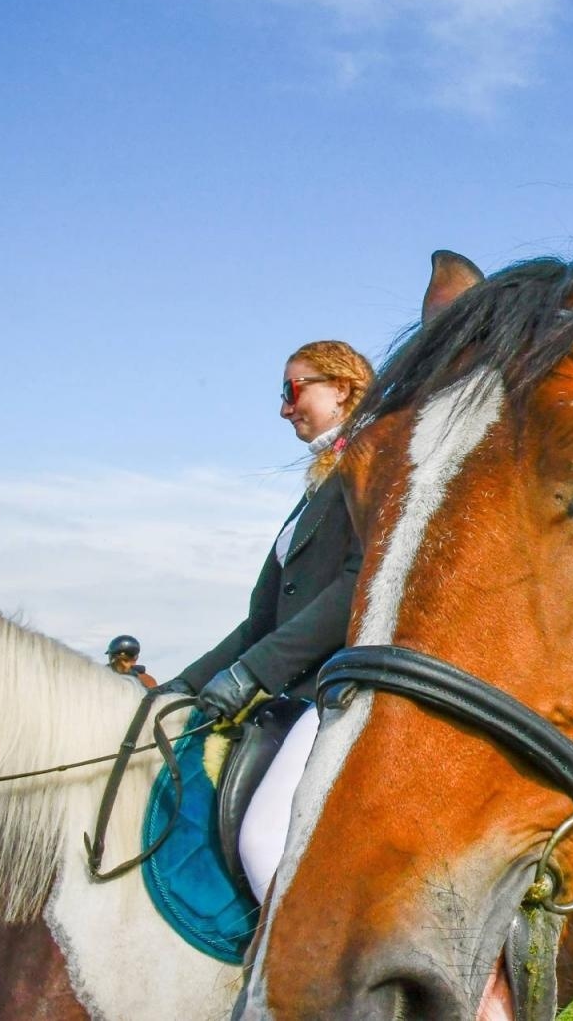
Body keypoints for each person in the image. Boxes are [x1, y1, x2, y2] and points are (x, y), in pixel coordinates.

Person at [157, 340, 373, 903]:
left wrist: (251, 675)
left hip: (339, 688)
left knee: (263, 840)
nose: (284, 408)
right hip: (296, 690)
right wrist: (184, 686)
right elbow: (260, 621)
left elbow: (357, 588)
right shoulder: (318, 488)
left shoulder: (373, 469)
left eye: (292, 390)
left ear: (343, 388)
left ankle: (312, 988)